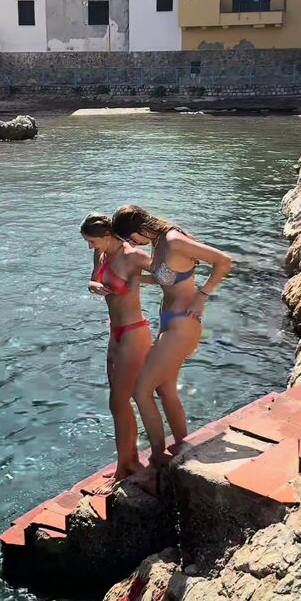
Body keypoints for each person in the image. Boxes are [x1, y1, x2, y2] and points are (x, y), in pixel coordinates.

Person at [111, 204, 232, 470]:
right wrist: (138, 280)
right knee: (164, 390)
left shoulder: (174, 240)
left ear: (141, 228)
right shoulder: (158, 242)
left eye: (131, 238)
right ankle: (183, 447)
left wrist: (202, 296)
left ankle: (157, 458)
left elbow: (223, 261)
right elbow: (170, 278)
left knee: (140, 390)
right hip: (169, 322)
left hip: (183, 324)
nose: (132, 244)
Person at [80, 214, 152, 484]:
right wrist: (94, 286)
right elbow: (92, 280)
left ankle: (126, 466)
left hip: (134, 332)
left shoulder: (132, 256)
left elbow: (171, 275)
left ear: (107, 235)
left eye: (92, 241)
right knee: (119, 400)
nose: (90, 247)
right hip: (116, 332)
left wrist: (139, 282)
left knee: (118, 401)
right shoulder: (100, 254)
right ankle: (129, 459)